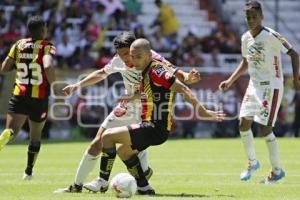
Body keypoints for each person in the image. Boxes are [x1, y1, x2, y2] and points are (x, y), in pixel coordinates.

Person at [54, 31, 201, 193]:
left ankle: (138, 177)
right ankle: (78, 186)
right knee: (98, 141)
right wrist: (77, 85)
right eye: (120, 54)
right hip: (128, 106)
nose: (124, 58)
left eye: (126, 54)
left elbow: (175, 72)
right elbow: (102, 73)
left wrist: (188, 76)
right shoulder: (119, 60)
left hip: (148, 109)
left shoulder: (152, 57)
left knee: (128, 146)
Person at [86, 38, 224, 195]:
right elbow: (149, 91)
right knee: (124, 151)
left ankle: (102, 182)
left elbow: (183, 89)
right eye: (132, 56)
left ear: (148, 55)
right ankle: (144, 188)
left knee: (107, 137)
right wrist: (132, 97)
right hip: (153, 126)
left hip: (154, 126)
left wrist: (204, 111)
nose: (134, 60)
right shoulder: (146, 71)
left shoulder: (156, 70)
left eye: (138, 56)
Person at [218, 0, 300, 184]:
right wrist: (231, 80)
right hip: (254, 85)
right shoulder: (245, 38)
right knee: (243, 124)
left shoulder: (271, 35)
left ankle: (277, 171)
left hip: (271, 86)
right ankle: (252, 162)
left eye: (254, 16)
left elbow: (294, 54)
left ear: (261, 17)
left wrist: (296, 79)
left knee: (265, 128)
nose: (251, 20)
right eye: (248, 17)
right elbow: (245, 61)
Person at [0, 16, 56, 180]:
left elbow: (4, 68)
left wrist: (19, 63)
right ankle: (28, 172)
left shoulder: (18, 45)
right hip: (39, 98)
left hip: (19, 94)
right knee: (35, 136)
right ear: (43, 30)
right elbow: (47, 65)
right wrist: (55, 86)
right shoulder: (47, 46)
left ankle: (6, 135)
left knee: (11, 132)